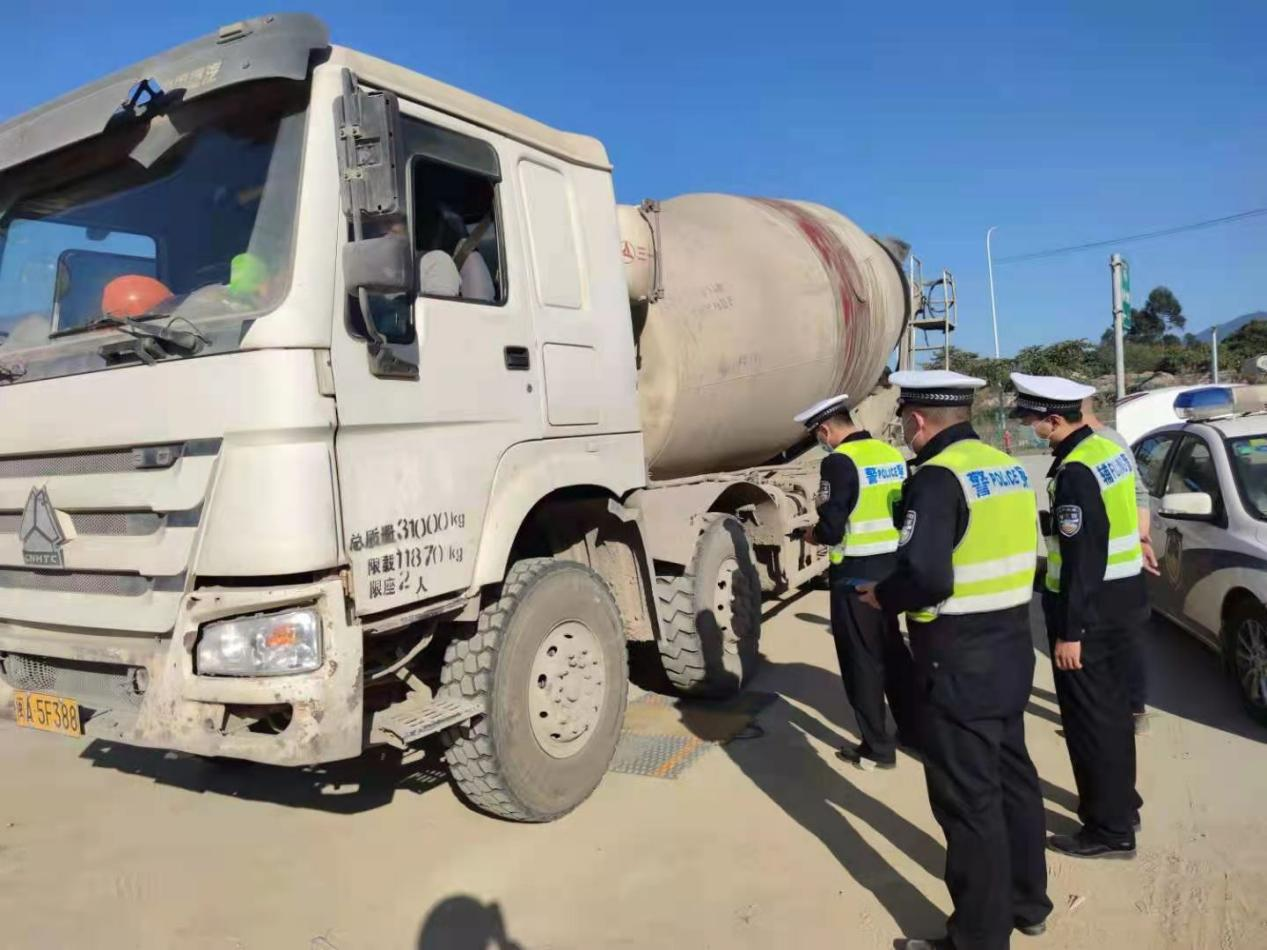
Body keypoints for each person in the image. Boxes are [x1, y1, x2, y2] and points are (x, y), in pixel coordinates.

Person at [857, 370, 1051, 950]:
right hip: (1011, 646)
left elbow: (928, 575)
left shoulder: (937, 479)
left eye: (904, 422)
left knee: (969, 803)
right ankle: (1029, 904)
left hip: (957, 659)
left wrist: (882, 596)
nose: (905, 431)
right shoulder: (1006, 468)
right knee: (1014, 779)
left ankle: (979, 937)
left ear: (917, 421)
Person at [1010, 373, 1145, 860]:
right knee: (1113, 715)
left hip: (1092, 608)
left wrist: (1071, 631)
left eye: (1032, 420)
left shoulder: (1076, 471)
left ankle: (1109, 831)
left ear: (1053, 420)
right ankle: (1123, 806)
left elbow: (1083, 558)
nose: (1028, 427)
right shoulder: (1106, 449)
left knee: (1090, 722)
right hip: (1123, 598)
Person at [795, 394, 916, 770]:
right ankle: (913, 732)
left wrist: (812, 534)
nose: (821, 442)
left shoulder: (839, 461)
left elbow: (832, 529)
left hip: (855, 577)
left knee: (862, 661)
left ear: (825, 430)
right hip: (892, 571)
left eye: (818, 435)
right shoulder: (891, 454)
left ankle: (877, 748)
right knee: (894, 653)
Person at [1080, 393, 1161, 735]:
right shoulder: (1093, 444)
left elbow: (1138, 493)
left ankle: (1130, 710)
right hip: (1099, 563)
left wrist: (1141, 540)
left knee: (1119, 643)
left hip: (1112, 567)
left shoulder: (1107, 444)